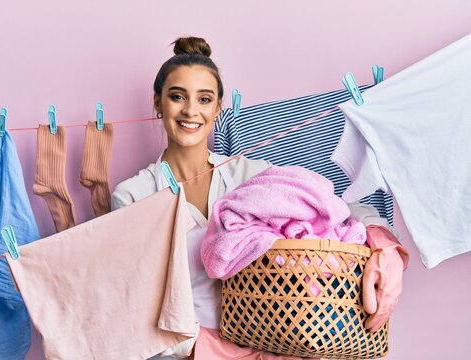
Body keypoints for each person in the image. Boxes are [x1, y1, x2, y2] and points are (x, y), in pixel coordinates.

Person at [111, 36, 406, 360]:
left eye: (204, 99)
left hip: (269, 348)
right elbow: (138, 306)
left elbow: (334, 208)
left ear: (217, 108)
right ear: (158, 103)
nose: (190, 111)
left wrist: (385, 247)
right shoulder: (133, 196)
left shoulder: (250, 176)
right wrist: (214, 350)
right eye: (177, 96)